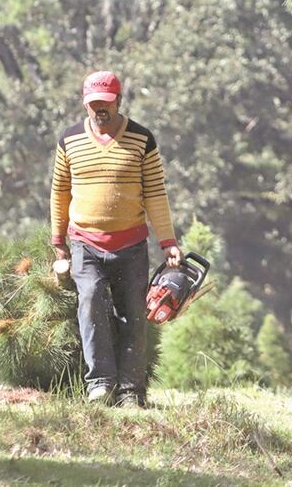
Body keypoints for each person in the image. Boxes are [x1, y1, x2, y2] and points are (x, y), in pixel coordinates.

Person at [50, 70, 183, 407]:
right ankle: (100, 384)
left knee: (134, 314)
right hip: (85, 243)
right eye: (94, 104)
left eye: (106, 103)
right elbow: (60, 191)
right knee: (90, 298)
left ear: (119, 101)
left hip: (131, 243)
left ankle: (131, 391)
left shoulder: (142, 139)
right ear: (85, 104)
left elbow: (155, 193)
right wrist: (58, 239)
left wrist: (168, 242)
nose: (100, 111)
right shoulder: (69, 140)